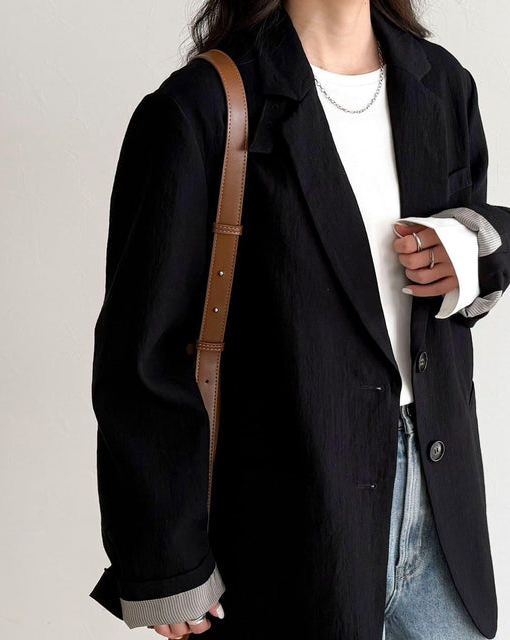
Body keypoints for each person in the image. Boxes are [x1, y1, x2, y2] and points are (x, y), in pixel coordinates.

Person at [89, 1, 509, 638]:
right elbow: (140, 352)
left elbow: (468, 256)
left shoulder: (443, 82)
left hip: (444, 517)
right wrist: (166, 561)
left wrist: (472, 247)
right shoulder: (202, 107)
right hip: (292, 523)